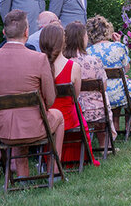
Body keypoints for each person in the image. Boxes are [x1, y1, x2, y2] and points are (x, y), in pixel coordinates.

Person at [0, 10, 64, 180]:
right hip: (33, 127)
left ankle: (22, 177)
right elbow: (50, 99)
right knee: (58, 116)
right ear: (27, 32)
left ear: (4, 32)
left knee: (17, 116)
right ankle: (55, 170)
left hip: (4, 130)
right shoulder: (39, 58)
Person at [40, 24, 99, 167]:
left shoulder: (37, 67)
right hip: (69, 117)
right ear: (63, 42)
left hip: (44, 117)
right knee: (76, 109)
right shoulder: (73, 67)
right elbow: (75, 97)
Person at [65, 21, 114, 139]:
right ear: (82, 39)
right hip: (94, 110)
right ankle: (103, 144)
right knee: (103, 98)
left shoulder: (62, 62)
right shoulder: (94, 61)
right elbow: (104, 86)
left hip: (71, 110)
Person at [85, 15, 131, 117]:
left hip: (98, 95)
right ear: (107, 30)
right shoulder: (118, 47)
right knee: (130, 86)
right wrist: (118, 43)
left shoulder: (88, 52)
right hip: (119, 93)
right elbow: (126, 68)